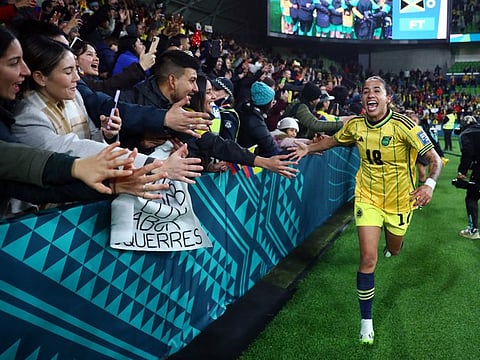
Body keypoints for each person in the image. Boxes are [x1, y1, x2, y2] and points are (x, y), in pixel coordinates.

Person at [290, 76, 443, 345]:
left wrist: (428, 185)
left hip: (400, 201)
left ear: (388, 98)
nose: (370, 95)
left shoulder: (405, 125)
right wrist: (308, 148)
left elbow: (434, 160)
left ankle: (394, 244)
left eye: (376, 91)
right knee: (368, 258)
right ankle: (366, 322)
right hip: (367, 198)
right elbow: (333, 141)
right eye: (365, 91)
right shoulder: (356, 125)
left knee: (394, 248)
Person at [118, 50, 299, 178]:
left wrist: (262, 162)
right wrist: (139, 143)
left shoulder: (179, 110)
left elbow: (213, 143)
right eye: (192, 81)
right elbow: (101, 141)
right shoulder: (127, 99)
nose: (196, 89)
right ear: (172, 81)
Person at [283, 81, 347, 139]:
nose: (319, 100)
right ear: (313, 100)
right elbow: (315, 125)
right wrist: (341, 124)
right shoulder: (301, 107)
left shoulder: (301, 103)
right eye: (318, 98)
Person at [236, 81, 281, 157]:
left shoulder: (244, 108)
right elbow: (272, 149)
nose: (274, 103)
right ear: (265, 103)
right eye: (272, 101)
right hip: (246, 161)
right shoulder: (255, 122)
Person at [456, 115, 480, 239]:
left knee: (471, 197)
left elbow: (467, 155)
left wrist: (462, 172)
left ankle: (473, 230)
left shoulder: (466, 134)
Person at [211, 76, 240, 141]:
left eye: (216, 90)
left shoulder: (228, 115)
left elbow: (228, 142)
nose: (211, 92)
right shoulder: (210, 107)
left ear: (227, 94)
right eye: (211, 89)